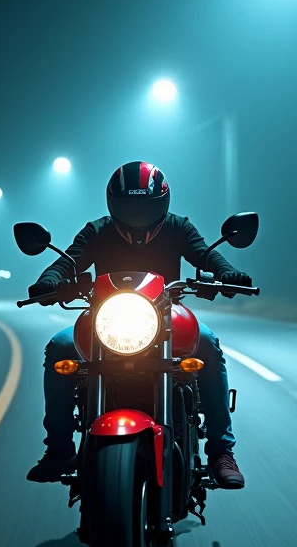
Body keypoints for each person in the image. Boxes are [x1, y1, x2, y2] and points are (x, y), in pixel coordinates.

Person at [26, 160, 252, 488]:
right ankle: (60, 449)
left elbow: (206, 255)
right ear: (113, 204)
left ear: (161, 203)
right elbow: (69, 261)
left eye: (144, 206)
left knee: (208, 344)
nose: (136, 215)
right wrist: (50, 280)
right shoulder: (98, 230)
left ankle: (220, 452)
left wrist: (227, 274)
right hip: (106, 317)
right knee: (60, 346)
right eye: (128, 206)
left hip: (165, 317)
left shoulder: (178, 227)